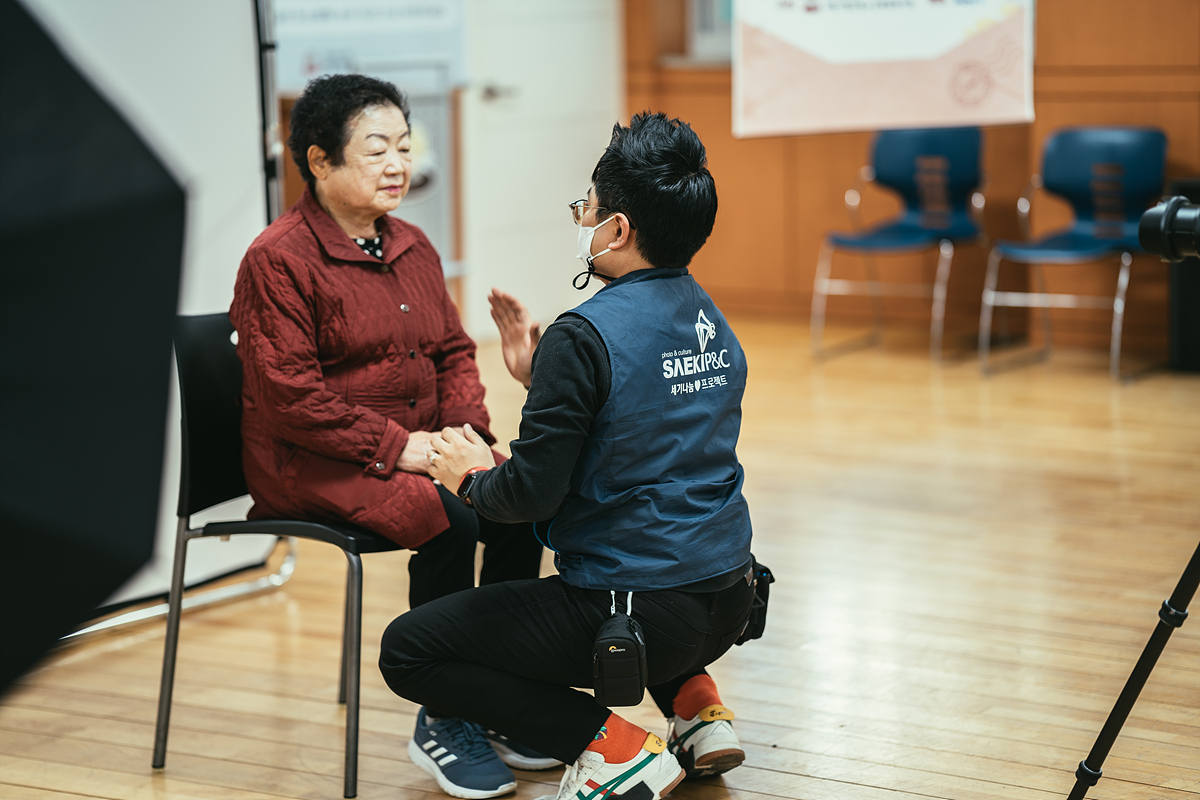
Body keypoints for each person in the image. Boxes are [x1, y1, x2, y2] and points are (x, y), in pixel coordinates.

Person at [379, 112, 755, 800]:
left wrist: (469, 479)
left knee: (409, 649)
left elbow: (530, 497)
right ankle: (699, 712)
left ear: (617, 230)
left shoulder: (583, 334)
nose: (581, 215)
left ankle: (613, 747)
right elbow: (648, 422)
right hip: (727, 598)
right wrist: (541, 381)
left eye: (588, 205)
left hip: (636, 616)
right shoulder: (707, 314)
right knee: (660, 561)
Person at [229, 74, 547, 796]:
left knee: (517, 501)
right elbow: (288, 398)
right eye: (376, 150)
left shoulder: (412, 243)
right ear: (318, 161)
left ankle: (495, 694)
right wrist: (400, 448)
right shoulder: (277, 258)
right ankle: (444, 715)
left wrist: (464, 432)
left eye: (405, 146)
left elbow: (453, 352)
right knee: (448, 516)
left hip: (421, 444)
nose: (398, 164)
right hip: (309, 459)